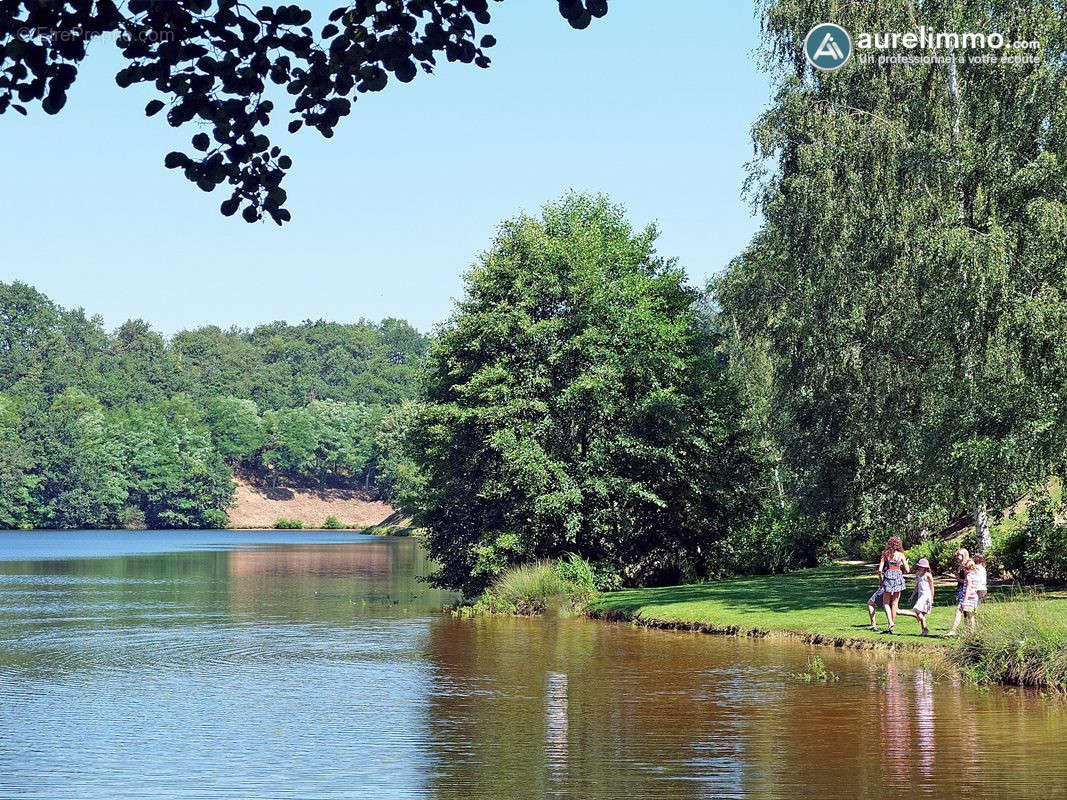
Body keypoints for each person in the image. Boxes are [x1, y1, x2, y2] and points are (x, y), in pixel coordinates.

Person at [878, 536, 909, 634]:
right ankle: (890, 627)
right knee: (895, 603)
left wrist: (881, 580)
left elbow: (879, 570)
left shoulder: (885, 554)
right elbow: (908, 570)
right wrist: (904, 564)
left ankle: (890, 622)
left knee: (886, 603)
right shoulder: (901, 555)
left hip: (888, 577)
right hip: (898, 577)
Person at [897, 557, 935, 635]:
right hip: (920, 595)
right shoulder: (918, 575)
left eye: (921, 566)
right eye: (919, 566)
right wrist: (912, 596)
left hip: (926, 595)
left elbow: (932, 587)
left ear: (925, 568)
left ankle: (924, 625)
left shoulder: (928, 575)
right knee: (921, 613)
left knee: (917, 609)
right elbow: (917, 586)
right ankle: (924, 631)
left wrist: (932, 598)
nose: (920, 568)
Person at [947, 553, 979, 636]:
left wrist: (964, 601)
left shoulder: (968, 577)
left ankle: (953, 630)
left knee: (959, 612)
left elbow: (968, 589)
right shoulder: (975, 576)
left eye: (964, 569)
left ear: (967, 568)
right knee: (970, 616)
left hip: (967, 599)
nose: (963, 571)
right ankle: (972, 633)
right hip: (973, 598)